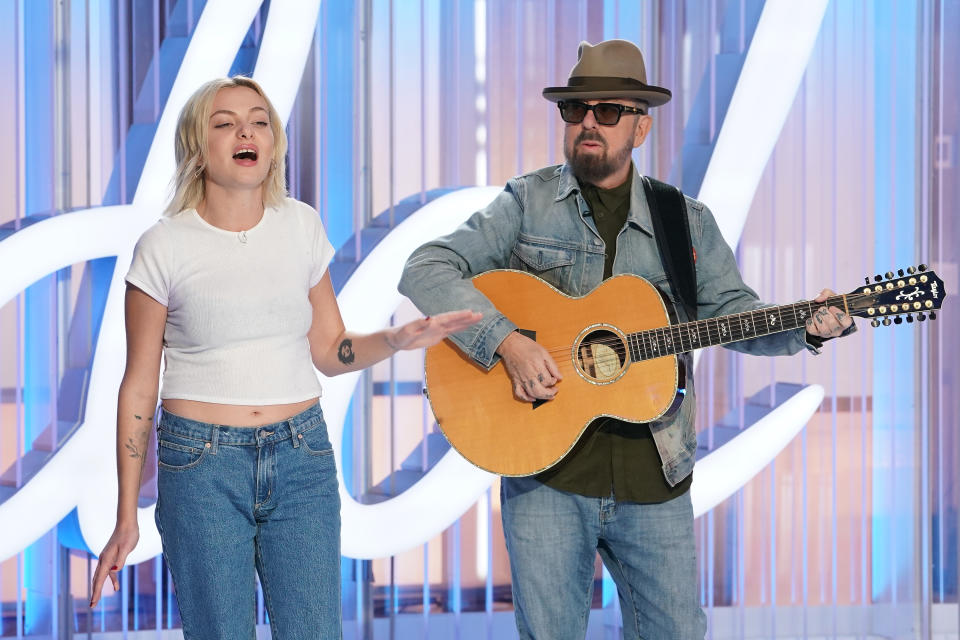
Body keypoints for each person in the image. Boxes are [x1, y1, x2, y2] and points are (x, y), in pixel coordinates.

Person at [398, 39, 855, 639]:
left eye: (608, 111)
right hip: (548, 476)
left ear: (640, 126)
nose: (589, 122)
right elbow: (425, 268)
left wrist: (806, 325)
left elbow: (734, 314)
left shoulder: (684, 221)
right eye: (576, 109)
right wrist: (508, 341)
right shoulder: (525, 202)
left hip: (653, 475)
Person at [88, 76, 480, 639]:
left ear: (273, 145)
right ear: (199, 148)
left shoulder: (300, 225)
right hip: (200, 466)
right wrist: (128, 513)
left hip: (302, 457)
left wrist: (394, 339)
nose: (246, 131)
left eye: (260, 121)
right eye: (225, 123)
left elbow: (331, 349)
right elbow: (139, 386)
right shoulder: (164, 245)